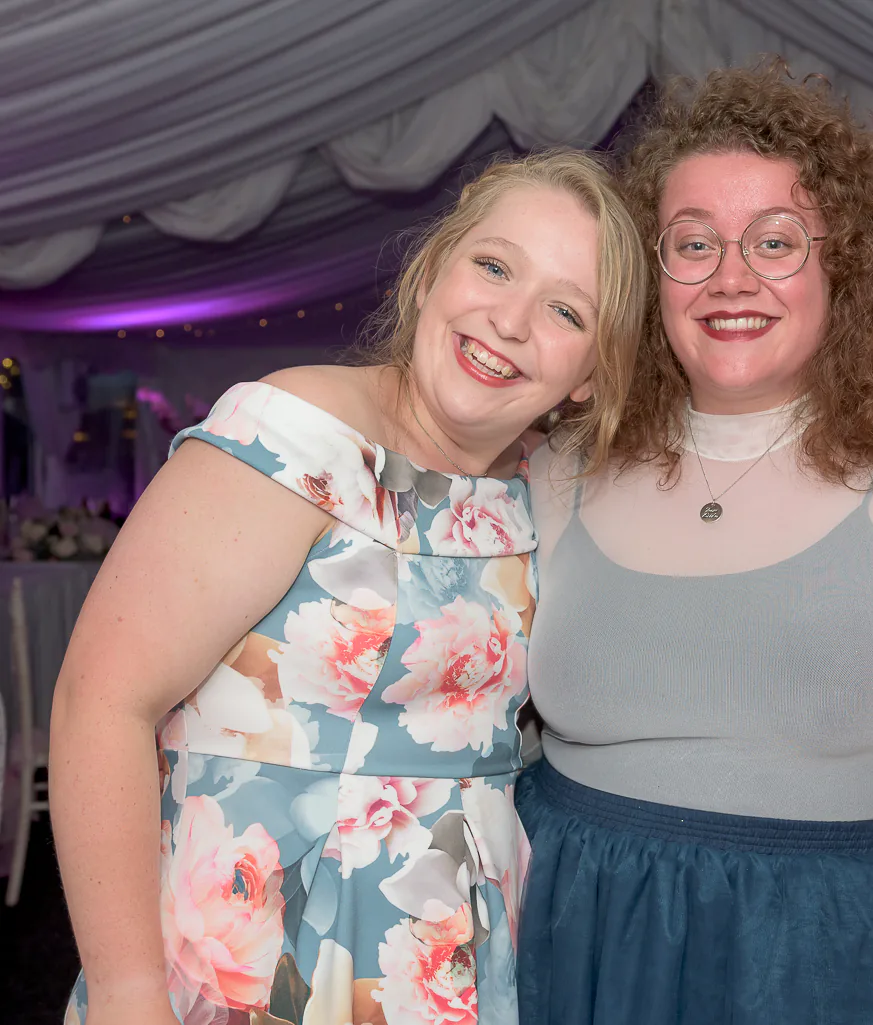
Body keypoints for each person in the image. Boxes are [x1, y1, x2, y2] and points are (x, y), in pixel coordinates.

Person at [50, 150, 646, 1025]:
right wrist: (127, 992)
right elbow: (100, 701)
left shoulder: (541, 494)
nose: (511, 321)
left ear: (590, 373)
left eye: (565, 310)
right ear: (432, 271)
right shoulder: (294, 436)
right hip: (255, 959)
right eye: (493, 266)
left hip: (446, 968)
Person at [516, 65, 873, 1025]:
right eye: (693, 243)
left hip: (841, 960)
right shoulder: (562, 462)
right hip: (575, 943)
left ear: (844, 266)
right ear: (648, 274)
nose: (731, 278)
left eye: (776, 241)